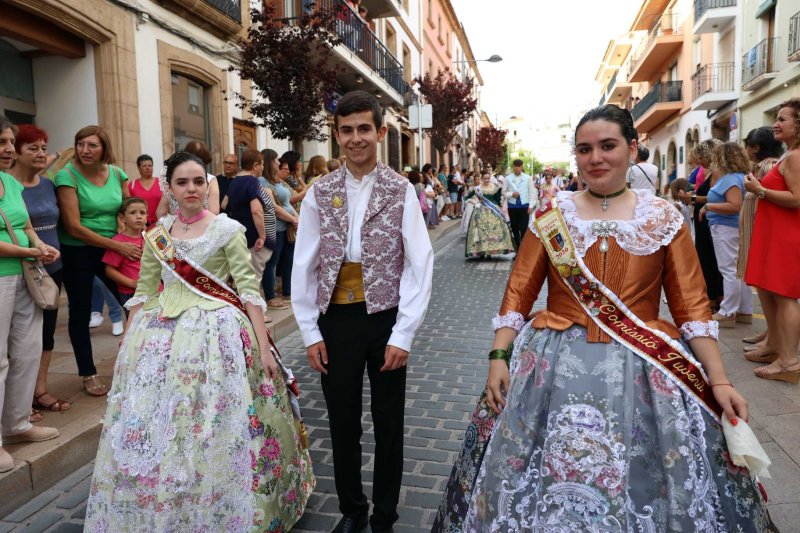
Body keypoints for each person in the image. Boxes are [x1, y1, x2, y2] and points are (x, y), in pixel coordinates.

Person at [433, 104, 775, 532]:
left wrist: (720, 381)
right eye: (584, 149)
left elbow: (691, 307)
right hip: (551, 367)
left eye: (607, 146)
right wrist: (498, 355)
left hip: (643, 368)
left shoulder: (663, 218)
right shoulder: (551, 215)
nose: (595, 158)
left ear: (632, 148)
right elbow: (519, 292)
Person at [84, 151, 314, 531]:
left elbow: (248, 289)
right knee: (162, 423)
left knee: (215, 421)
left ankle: (223, 502)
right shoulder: (157, 235)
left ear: (205, 184)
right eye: (181, 182)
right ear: (169, 188)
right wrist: (129, 343)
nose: (190, 189)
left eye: (197, 182)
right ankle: (166, 501)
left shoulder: (225, 229)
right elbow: (143, 291)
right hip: (162, 334)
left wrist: (262, 344)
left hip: (217, 332)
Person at [292, 90, 433, 533]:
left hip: (385, 319)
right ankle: (352, 511)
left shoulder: (401, 189)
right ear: (337, 135)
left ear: (380, 132)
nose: (356, 139)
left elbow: (420, 262)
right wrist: (311, 332)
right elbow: (305, 263)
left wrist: (404, 333)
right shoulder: (321, 191)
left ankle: (385, 515)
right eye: (347, 130)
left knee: (389, 424)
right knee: (342, 421)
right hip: (337, 320)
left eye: (364, 129)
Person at [55, 125, 137, 396]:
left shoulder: (117, 173)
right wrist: (116, 245)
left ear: (104, 149)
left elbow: (128, 210)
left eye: (92, 145)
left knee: (133, 302)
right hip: (78, 249)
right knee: (79, 312)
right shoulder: (66, 176)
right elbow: (73, 226)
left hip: (113, 248)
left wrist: (133, 239)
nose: (85, 150)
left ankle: (137, 360)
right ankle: (88, 373)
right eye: (80, 144)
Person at [0, 116, 61, 472]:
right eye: (2, 143)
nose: (8, 149)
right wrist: (30, 252)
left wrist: (39, 244)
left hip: (25, 278)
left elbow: (23, 225)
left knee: (27, 351)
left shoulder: (9, 180)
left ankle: (17, 424)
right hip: (4, 276)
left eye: (9, 142)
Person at [6, 124, 69, 420]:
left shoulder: (47, 184)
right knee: (13, 340)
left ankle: (39, 390)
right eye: (33, 148)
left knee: (45, 334)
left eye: (44, 148)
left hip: (50, 268)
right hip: (18, 269)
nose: (41, 153)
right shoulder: (7, 185)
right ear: (16, 153)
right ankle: (18, 404)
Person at [745, 98, 800, 383]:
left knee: (786, 297)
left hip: (786, 236)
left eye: (782, 119)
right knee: (769, 291)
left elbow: (797, 199)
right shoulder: (790, 154)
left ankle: (789, 361)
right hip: (775, 233)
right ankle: (775, 347)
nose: (775, 124)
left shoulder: (795, 156)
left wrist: (759, 190)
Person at [739, 127, 784, 356]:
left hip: (762, 236)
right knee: (765, 290)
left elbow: (770, 199)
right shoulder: (762, 167)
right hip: (758, 234)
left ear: (755, 147)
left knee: (769, 291)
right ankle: (770, 334)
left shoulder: (768, 166)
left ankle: (774, 341)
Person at [699, 142, 751, 328]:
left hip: (725, 228)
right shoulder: (739, 176)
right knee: (738, 270)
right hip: (732, 227)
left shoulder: (730, 179)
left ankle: (728, 312)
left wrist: (708, 206)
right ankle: (744, 311)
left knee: (728, 269)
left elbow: (734, 205)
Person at [679, 139, 724, 311]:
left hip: (708, 219)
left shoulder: (717, 172)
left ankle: (714, 299)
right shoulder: (712, 171)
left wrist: (691, 198)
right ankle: (714, 297)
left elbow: (714, 197)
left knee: (709, 260)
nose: (699, 162)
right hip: (703, 219)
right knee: (707, 259)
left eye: (701, 157)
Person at [221, 149, 271, 279]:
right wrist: (262, 236)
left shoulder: (235, 180)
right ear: (255, 165)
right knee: (254, 276)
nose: (263, 167)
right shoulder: (252, 181)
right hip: (252, 236)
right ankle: (251, 300)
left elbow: (223, 204)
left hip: (238, 235)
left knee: (241, 275)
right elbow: (256, 210)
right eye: (262, 164)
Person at [262, 155, 299, 310]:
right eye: (276, 160)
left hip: (287, 226)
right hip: (275, 227)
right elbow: (274, 208)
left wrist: (295, 218)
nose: (279, 162)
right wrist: (292, 218)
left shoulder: (277, 180)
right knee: (272, 263)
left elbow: (286, 202)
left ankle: (287, 293)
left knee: (288, 261)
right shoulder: (262, 182)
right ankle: (270, 297)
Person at [156, 139, 220, 217]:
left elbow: (161, 212)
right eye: (182, 183)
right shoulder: (211, 179)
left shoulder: (175, 178)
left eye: (199, 182)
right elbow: (214, 211)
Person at [102, 197, 146, 310]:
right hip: (131, 293)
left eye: (142, 212)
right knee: (135, 326)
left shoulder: (150, 237)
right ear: (122, 218)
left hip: (155, 290)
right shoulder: (118, 242)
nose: (139, 216)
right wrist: (132, 283)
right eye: (133, 213)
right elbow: (109, 271)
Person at [464, 172, 515, 258]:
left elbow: (497, 199)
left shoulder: (494, 188)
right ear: (482, 179)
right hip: (480, 212)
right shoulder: (477, 189)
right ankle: (481, 251)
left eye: (488, 178)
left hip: (493, 211)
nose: (487, 180)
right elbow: (467, 197)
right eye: (485, 178)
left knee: (493, 231)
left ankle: (490, 250)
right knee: (481, 231)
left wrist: (500, 207)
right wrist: (474, 202)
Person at [504, 158, 536, 249]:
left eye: (519, 166)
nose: (517, 168)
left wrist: (531, 205)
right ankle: (517, 248)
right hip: (512, 206)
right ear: (513, 167)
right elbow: (503, 192)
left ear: (522, 167)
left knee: (523, 229)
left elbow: (532, 193)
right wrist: (511, 194)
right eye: (515, 166)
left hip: (524, 206)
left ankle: (523, 250)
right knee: (514, 228)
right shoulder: (508, 178)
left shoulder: (528, 178)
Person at [128, 154, 161, 227]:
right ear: (139, 168)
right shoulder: (132, 185)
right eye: (144, 166)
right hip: (139, 225)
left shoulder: (161, 183)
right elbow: (128, 206)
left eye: (150, 165)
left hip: (160, 224)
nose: (147, 168)